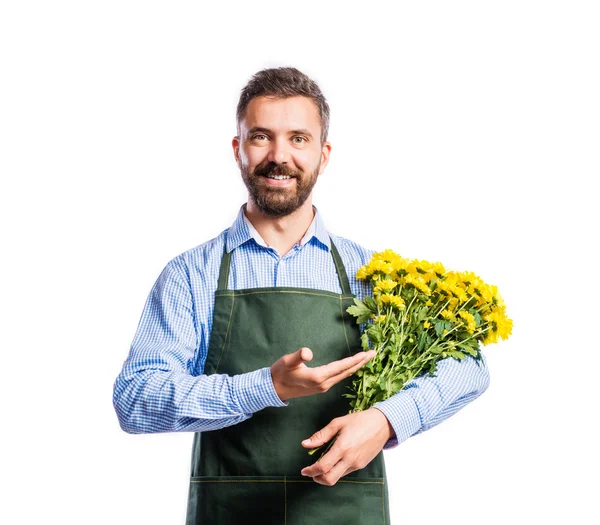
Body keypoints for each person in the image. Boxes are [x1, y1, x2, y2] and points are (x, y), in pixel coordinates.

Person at [113, 66, 490, 524]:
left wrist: (388, 419)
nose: (279, 156)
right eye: (260, 137)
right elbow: (135, 399)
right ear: (238, 150)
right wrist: (265, 386)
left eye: (298, 138)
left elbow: (468, 364)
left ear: (323, 153)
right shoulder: (192, 274)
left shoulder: (374, 276)